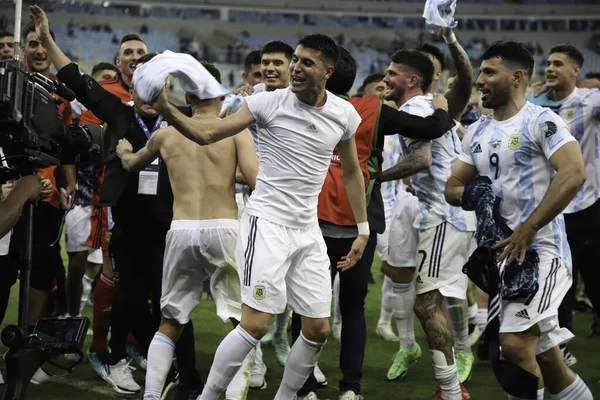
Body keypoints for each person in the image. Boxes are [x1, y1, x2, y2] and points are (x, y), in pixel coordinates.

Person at [148, 33, 368, 400]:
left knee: (317, 329)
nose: (296, 67)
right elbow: (209, 134)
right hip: (266, 225)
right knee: (254, 325)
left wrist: (362, 229)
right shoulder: (267, 103)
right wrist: (168, 109)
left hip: (307, 231)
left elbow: (351, 171)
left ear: (328, 72)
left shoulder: (344, 114)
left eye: (306, 62)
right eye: (295, 60)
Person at [30, 6, 203, 397]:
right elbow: (76, 79)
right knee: (130, 301)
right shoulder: (119, 113)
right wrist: (48, 39)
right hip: (127, 228)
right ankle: (139, 358)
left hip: (169, 228)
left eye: (155, 84)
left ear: (164, 88)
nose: (148, 91)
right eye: (142, 83)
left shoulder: (181, 118)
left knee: (169, 304)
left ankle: (188, 375)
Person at [294, 46, 453, 400]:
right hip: (358, 226)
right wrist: (443, 109)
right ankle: (350, 388)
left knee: (304, 309)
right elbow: (430, 128)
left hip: (309, 225)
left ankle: (302, 386)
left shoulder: (297, 105)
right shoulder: (369, 109)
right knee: (353, 308)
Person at [445, 41, 593, 400]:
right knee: (547, 359)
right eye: (480, 72)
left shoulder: (541, 121)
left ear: (516, 77)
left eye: (488, 72)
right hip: (503, 258)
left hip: (542, 251)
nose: (480, 80)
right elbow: (453, 187)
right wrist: (475, 195)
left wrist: (529, 228)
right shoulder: (478, 131)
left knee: (513, 346)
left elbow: (573, 173)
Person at [115, 61, 259, 400]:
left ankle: (151, 396)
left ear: (189, 96)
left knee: (170, 322)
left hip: (180, 229)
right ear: (221, 95)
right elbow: (256, 182)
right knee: (243, 323)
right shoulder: (235, 133)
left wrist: (123, 151)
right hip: (223, 226)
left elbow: (132, 164)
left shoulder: (165, 134)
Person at [381, 49, 474, 399]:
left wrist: (377, 175)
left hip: (442, 214)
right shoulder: (430, 108)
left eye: (392, 73)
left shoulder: (415, 109)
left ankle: (451, 390)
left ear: (411, 80)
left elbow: (423, 158)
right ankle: (450, 383)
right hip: (449, 212)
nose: (386, 78)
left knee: (427, 303)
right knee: (436, 298)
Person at [527, 45, 600, 366]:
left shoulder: (590, 102)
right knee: (559, 280)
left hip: (589, 204)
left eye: (559, 64)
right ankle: (562, 344)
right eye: (548, 63)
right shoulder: (536, 105)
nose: (550, 68)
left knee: (595, 276)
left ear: (576, 70)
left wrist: (591, 85)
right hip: (553, 207)